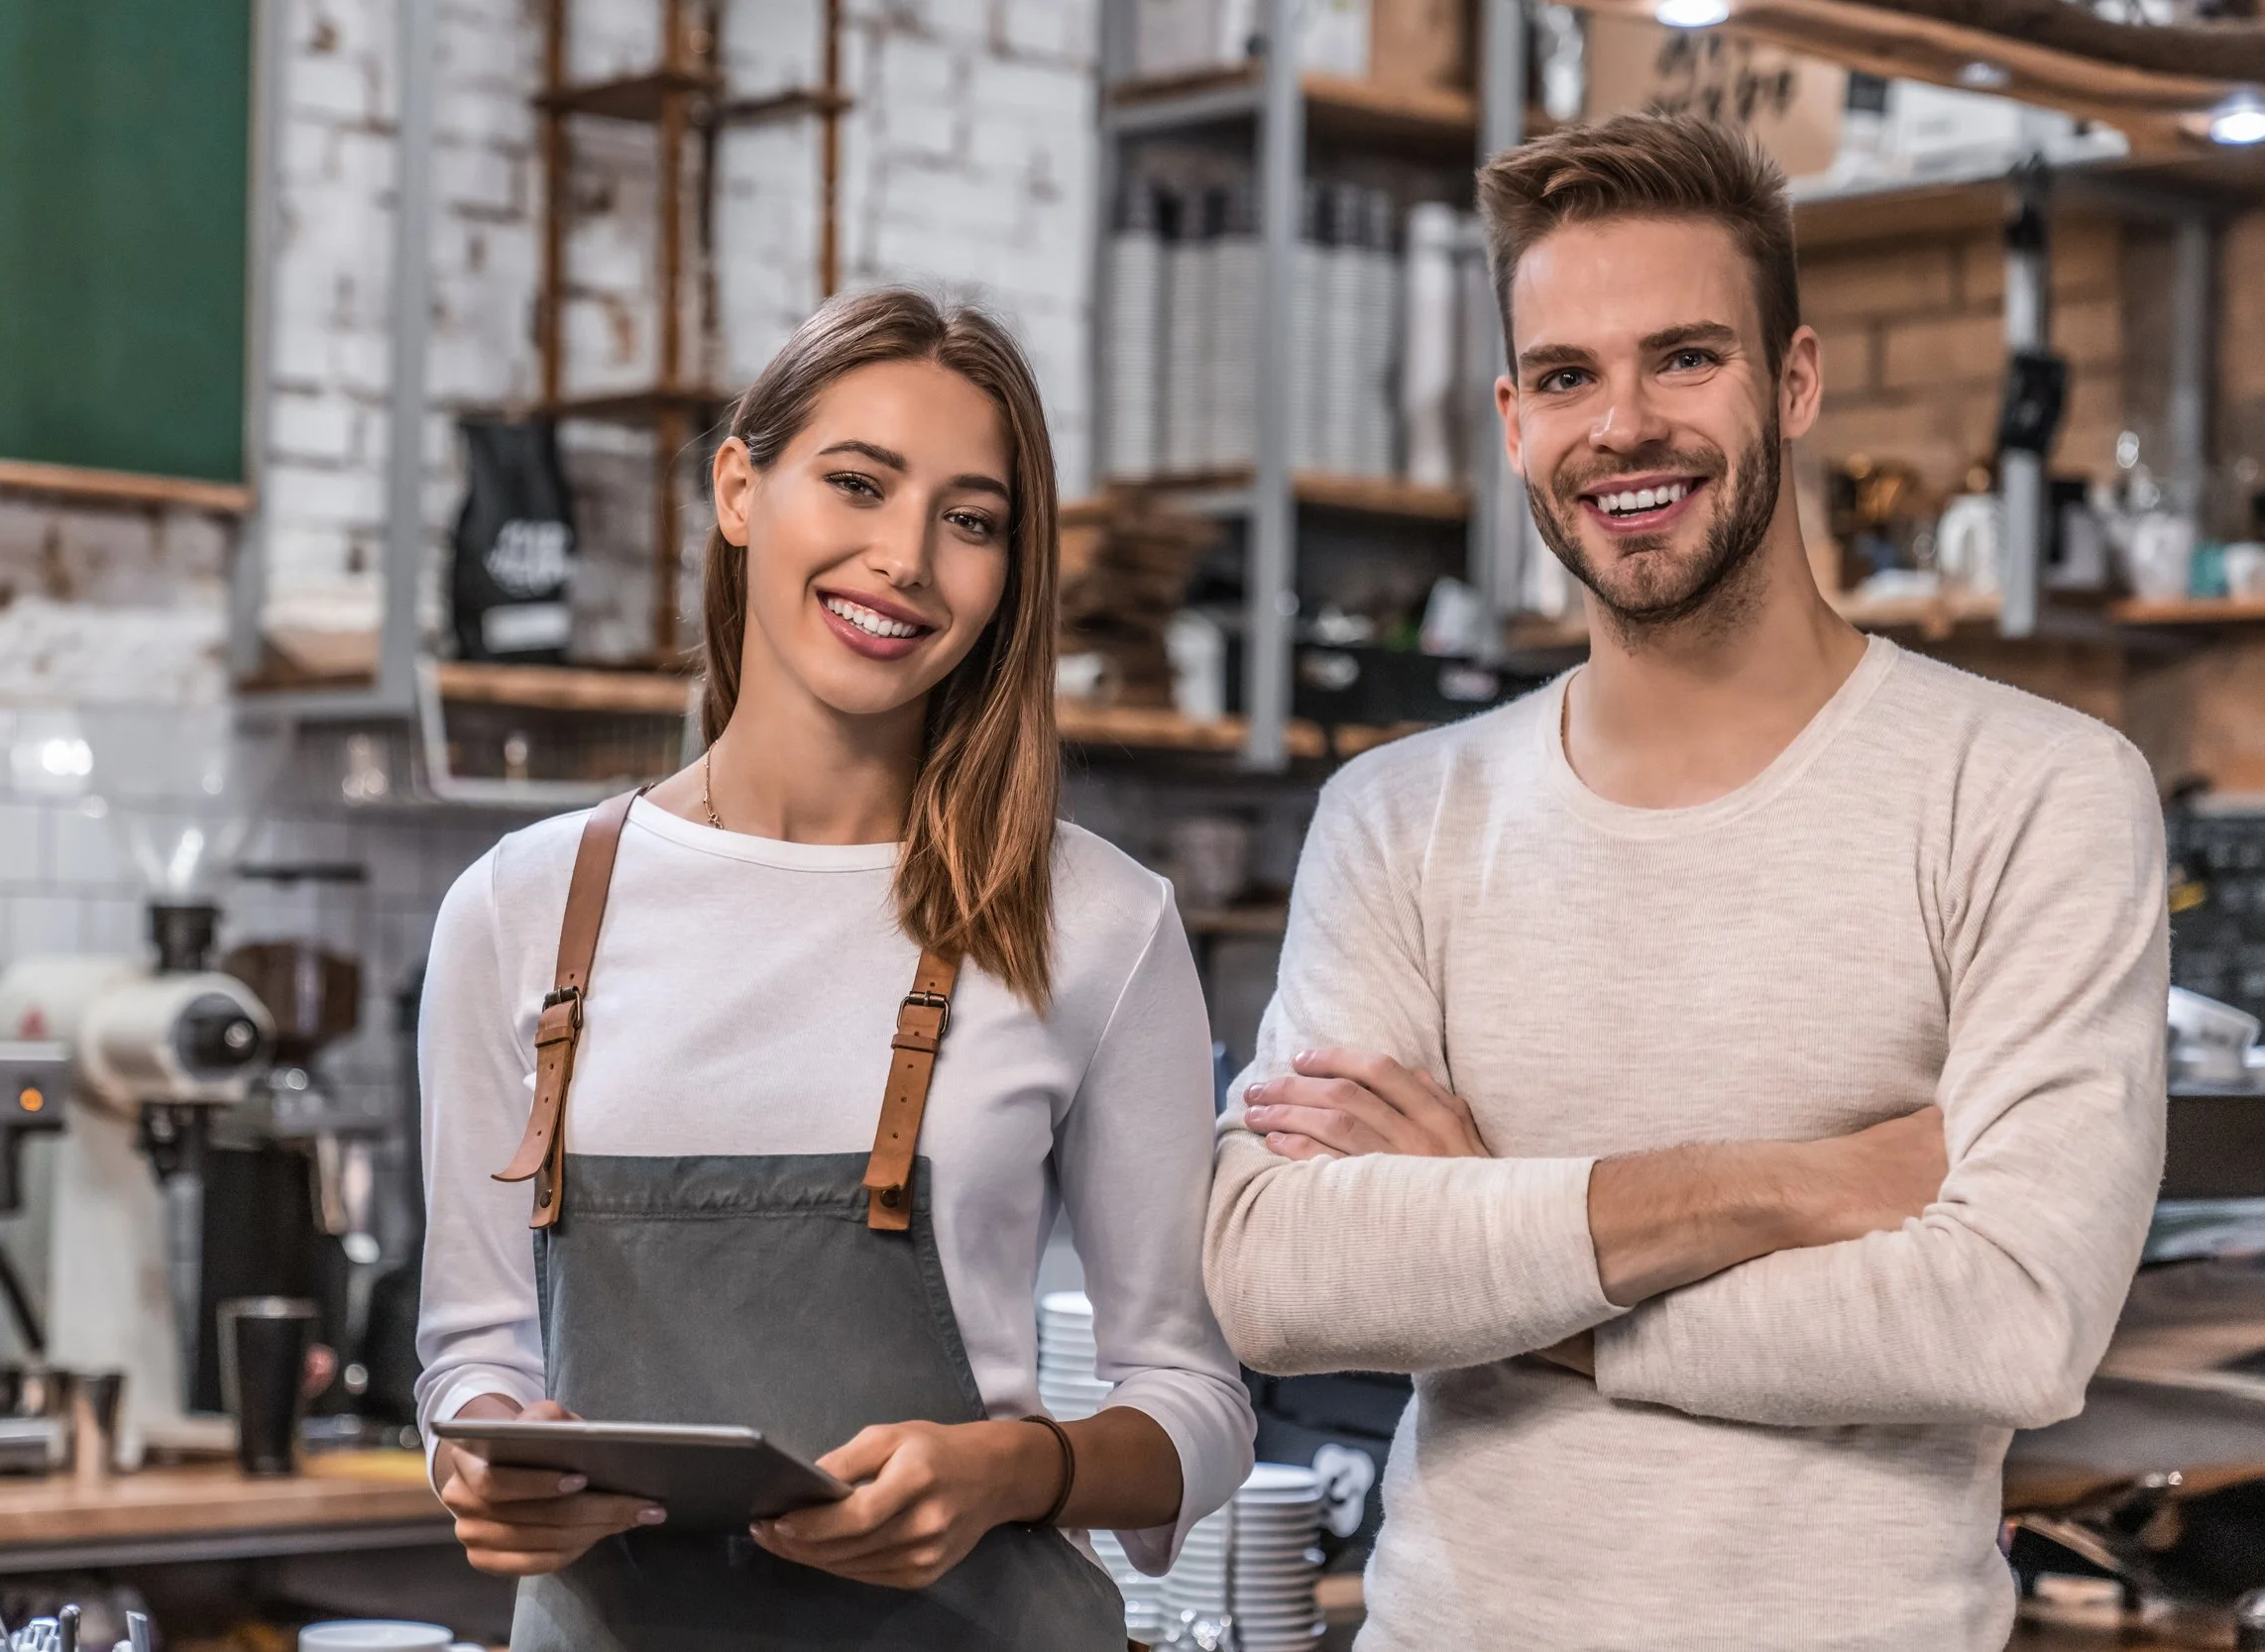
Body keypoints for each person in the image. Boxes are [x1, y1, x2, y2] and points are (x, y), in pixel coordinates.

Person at [1203, 112, 2166, 1650]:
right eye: (1570, 377)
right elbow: (1275, 1272)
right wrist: (1792, 1183)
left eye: (1686, 358)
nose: (1626, 425)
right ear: (1514, 420)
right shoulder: (1398, 816)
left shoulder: (2035, 790)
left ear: (1793, 381)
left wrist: (1497, 1257)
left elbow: (2008, 1317)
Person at [415, 286, 1252, 1651]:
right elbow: (476, 1353)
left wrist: (1015, 1469)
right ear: (740, 488)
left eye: (970, 520)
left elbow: (1195, 1405)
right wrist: (489, 1461)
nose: (904, 558)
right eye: (857, 483)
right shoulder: (520, 906)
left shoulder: (1097, 919)